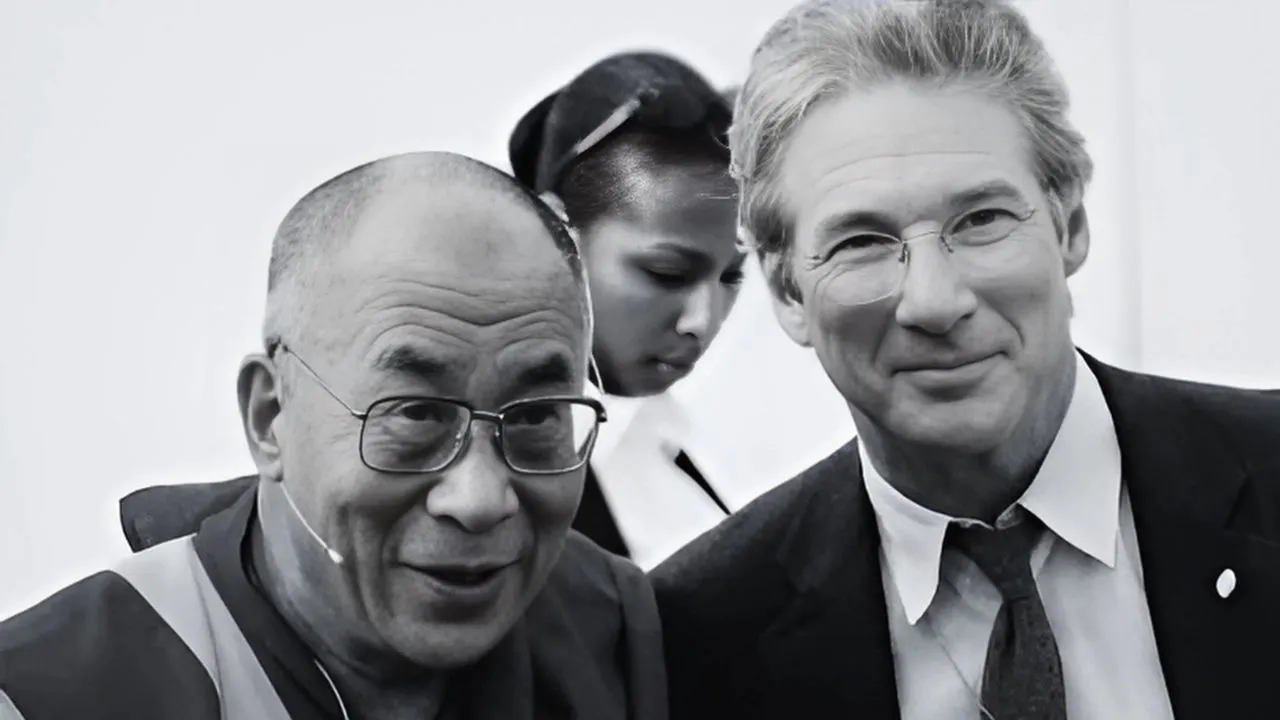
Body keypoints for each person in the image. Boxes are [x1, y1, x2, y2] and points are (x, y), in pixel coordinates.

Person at [652, 1, 1280, 719]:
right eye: (861, 241)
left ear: (1069, 226)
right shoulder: (702, 637)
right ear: (788, 291)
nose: (933, 301)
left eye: (981, 220)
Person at [0, 152, 667, 720]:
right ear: (270, 418)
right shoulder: (53, 694)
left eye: (535, 417)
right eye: (413, 414)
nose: (480, 499)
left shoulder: (606, 630)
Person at [507, 51, 748, 569]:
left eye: (733, 276)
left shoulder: (670, 447)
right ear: (554, 236)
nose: (702, 322)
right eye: (666, 273)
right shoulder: (487, 478)